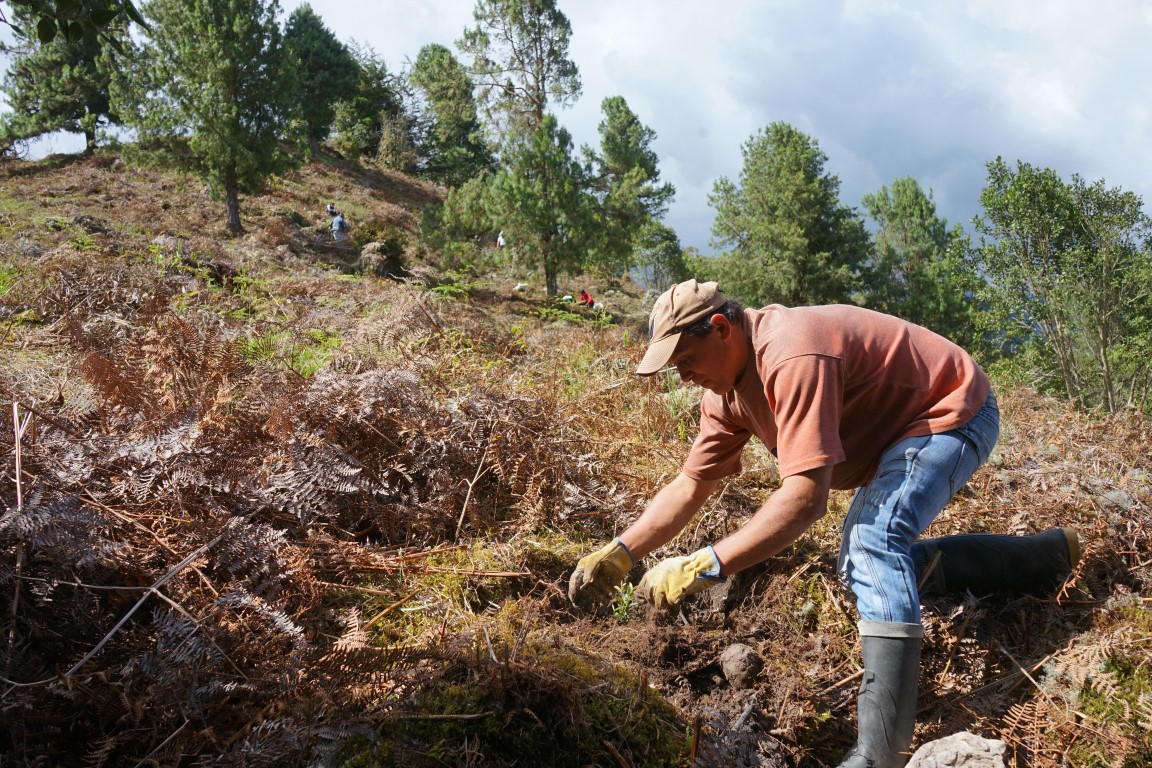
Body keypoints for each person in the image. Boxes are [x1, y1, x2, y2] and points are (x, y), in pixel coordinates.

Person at [568, 279, 1081, 768]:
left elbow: (805, 500)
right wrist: (621, 553)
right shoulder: (723, 395)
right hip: (896, 431)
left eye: (685, 359)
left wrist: (705, 565)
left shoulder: (792, 354)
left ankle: (881, 753)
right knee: (869, 567)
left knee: (873, 546)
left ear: (723, 329)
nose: (683, 377)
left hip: (949, 409)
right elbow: (689, 486)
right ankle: (1044, 559)